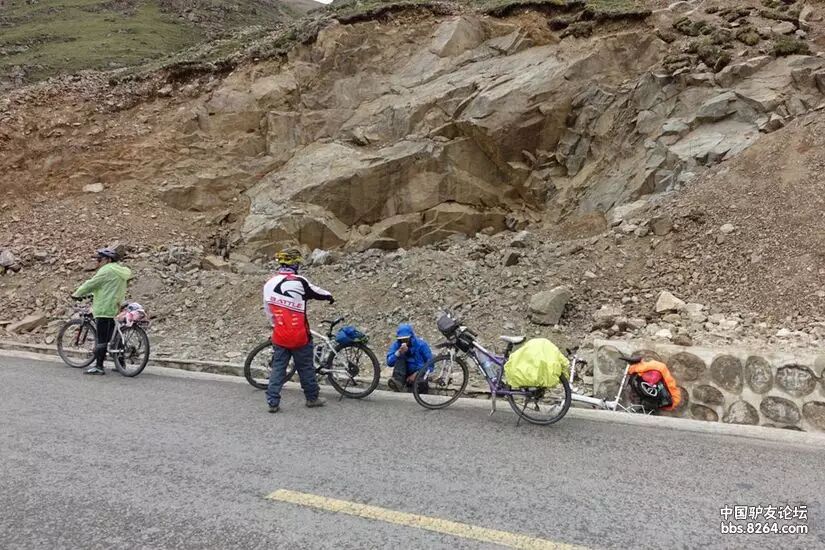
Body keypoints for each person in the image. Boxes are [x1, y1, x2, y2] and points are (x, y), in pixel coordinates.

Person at [263, 248, 334, 413]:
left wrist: (276, 324)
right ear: (294, 264)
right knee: (306, 367)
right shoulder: (299, 281)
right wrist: (330, 296)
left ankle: (272, 402)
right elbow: (317, 292)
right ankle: (312, 398)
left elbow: (268, 311)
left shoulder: (269, 284)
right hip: (300, 335)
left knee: (278, 368)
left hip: (280, 334)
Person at [71, 247, 132, 375]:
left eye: (99, 260)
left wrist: (77, 293)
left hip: (104, 307)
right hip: (116, 306)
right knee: (114, 336)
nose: (97, 262)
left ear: (108, 260)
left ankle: (99, 366)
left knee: (102, 338)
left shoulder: (106, 270)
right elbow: (108, 286)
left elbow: (92, 283)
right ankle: (120, 363)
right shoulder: (121, 270)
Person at [386, 323, 433, 393]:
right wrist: (398, 352)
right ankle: (398, 382)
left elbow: (430, 364)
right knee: (400, 357)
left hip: (419, 372)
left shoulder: (421, 345)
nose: (404, 342)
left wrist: (417, 374)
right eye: (402, 340)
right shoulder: (396, 345)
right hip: (403, 374)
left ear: (411, 337)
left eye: (406, 339)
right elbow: (389, 362)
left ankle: (416, 388)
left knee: (421, 384)